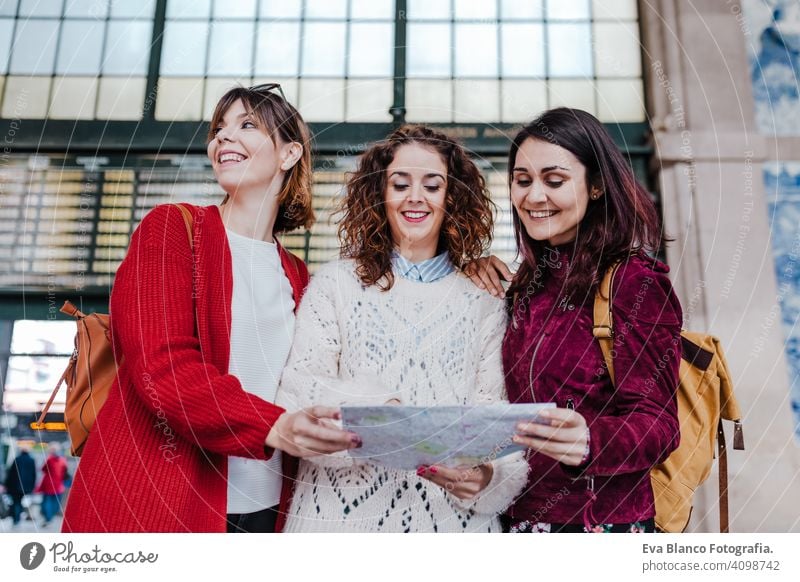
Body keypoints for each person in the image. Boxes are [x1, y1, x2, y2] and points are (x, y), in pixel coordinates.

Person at [62, 84, 358, 533]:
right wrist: (273, 425)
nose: (223, 138)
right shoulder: (172, 231)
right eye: (218, 129)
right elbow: (162, 369)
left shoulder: (299, 276)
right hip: (162, 501)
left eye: (246, 126)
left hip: (268, 509)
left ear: (289, 153)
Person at [276, 125, 529, 532]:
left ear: (452, 198)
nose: (416, 197)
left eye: (432, 185)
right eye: (400, 183)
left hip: (451, 527)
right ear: (380, 193)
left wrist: (486, 478)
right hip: (338, 526)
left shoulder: (485, 299)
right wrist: (384, 414)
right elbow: (297, 391)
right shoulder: (336, 285)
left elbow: (495, 415)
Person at [472, 108, 682, 533]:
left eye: (554, 180)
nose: (533, 197)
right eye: (522, 179)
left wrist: (590, 440)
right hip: (515, 517)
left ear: (598, 185)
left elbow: (660, 425)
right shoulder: (527, 282)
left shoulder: (633, 281)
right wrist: (466, 270)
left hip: (599, 523)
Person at [3, 444, 36, 527]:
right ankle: (17, 518)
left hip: (14, 486)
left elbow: (11, 473)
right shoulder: (31, 460)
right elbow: (33, 474)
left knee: (15, 502)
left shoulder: (17, 459)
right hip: (26, 486)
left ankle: (15, 518)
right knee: (20, 502)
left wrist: (6, 484)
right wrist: (32, 486)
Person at [37, 442, 68, 527]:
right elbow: (65, 472)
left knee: (47, 501)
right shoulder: (63, 460)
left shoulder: (49, 459)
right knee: (55, 502)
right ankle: (50, 517)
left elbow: (43, 469)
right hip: (58, 484)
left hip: (48, 483)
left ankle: (48, 517)